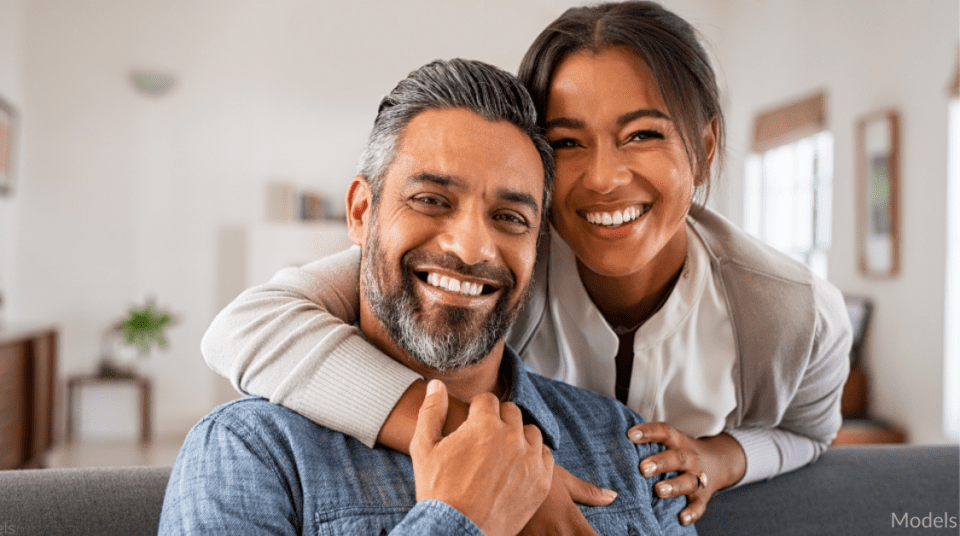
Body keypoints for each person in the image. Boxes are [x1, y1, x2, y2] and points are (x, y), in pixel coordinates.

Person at [201, 0, 852, 526]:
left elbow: (811, 432)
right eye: (567, 141)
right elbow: (247, 326)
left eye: (643, 134)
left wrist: (724, 457)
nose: (603, 177)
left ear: (705, 148)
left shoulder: (789, 310)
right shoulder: (501, 260)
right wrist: (491, 452)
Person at [160, 58, 694, 535]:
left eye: (510, 217)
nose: (470, 247)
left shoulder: (626, 445)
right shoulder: (251, 452)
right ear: (361, 214)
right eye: (432, 200)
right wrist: (460, 520)